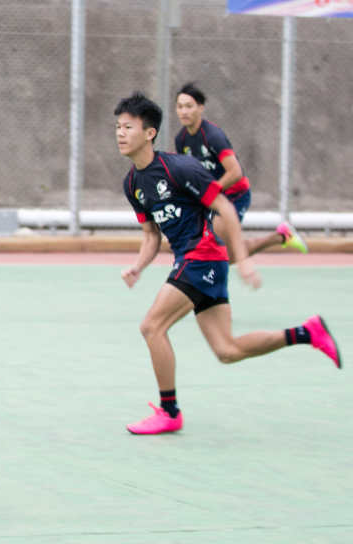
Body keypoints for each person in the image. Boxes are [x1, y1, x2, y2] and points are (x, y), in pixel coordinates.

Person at [115, 91, 340, 435]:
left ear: (149, 133)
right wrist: (139, 266)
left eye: (127, 127)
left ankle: (169, 411)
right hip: (199, 261)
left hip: (202, 256)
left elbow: (226, 208)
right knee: (227, 350)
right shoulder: (133, 184)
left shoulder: (180, 168)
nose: (119, 133)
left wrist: (245, 259)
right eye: (117, 126)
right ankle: (307, 332)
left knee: (151, 327)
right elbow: (151, 236)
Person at [174, 82, 306, 257]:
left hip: (235, 194)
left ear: (201, 108)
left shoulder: (213, 136)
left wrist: (209, 193)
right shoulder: (181, 140)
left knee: (216, 253)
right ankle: (282, 236)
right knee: (228, 255)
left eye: (189, 106)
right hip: (214, 197)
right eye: (180, 106)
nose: (184, 111)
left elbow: (235, 172)